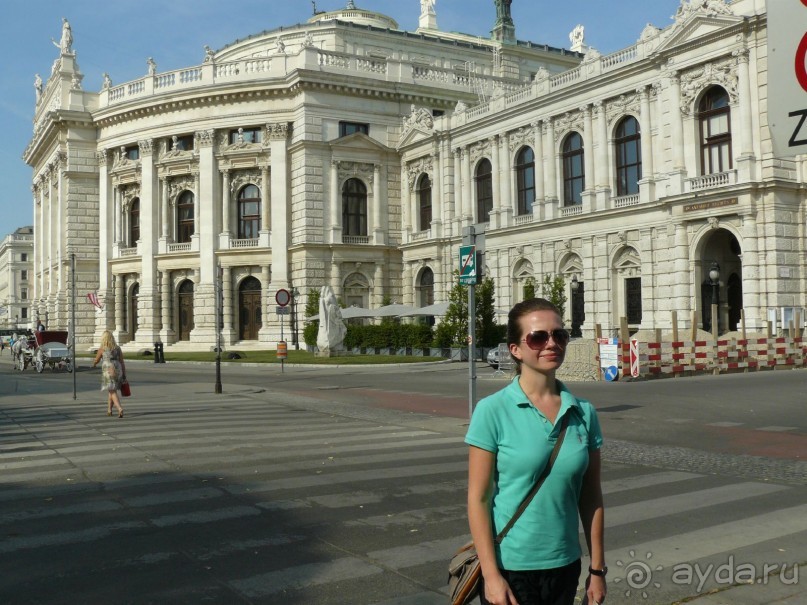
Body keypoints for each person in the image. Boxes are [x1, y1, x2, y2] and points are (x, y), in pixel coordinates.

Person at [465, 298, 606, 605]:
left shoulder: (583, 412)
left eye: (560, 335)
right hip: (510, 568)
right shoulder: (492, 410)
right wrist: (491, 576)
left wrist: (598, 569)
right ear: (515, 349)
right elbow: (478, 499)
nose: (551, 343)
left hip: (565, 564)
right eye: (538, 337)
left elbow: (591, 496)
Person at [92, 330, 126, 418]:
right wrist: (124, 373)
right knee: (111, 390)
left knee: (112, 390)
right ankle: (109, 410)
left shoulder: (102, 348)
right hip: (118, 369)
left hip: (108, 369)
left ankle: (119, 408)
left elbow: (96, 360)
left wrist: (94, 364)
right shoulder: (117, 348)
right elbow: (122, 361)